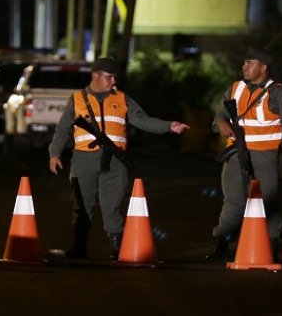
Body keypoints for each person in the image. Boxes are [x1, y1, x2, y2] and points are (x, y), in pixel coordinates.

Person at [48, 57, 190, 259]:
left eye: (115, 77)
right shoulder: (77, 98)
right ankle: (79, 248)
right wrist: (54, 154)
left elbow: (143, 121)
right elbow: (62, 130)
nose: (113, 81)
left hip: (116, 161)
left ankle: (117, 251)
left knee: (112, 207)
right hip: (83, 161)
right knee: (81, 206)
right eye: (109, 77)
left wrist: (168, 126)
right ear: (96, 75)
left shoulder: (122, 99)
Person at [206, 48, 282, 262]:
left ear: (263, 67)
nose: (244, 67)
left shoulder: (278, 93)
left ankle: (270, 246)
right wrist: (221, 124)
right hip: (235, 154)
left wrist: (272, 146)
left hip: (264, 157)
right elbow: (220, 114)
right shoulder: (235, 88)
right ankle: (222, 244)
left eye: (250, 63)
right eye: (244, 63)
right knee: (233, 201)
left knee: (266, 201)